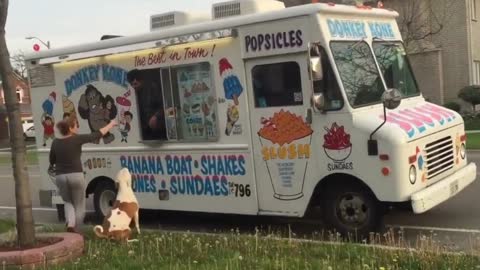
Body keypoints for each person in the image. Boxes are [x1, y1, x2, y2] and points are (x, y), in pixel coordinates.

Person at [49, 116, 117, 233]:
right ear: (70, 128)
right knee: (79, 205)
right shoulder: (77, 139)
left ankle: (70, 224)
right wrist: (111, 124)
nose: (77, 128)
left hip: (60, 177)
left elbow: (52, 160)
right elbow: (96, 135)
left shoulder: (55, 142)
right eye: (76, 125)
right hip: (76, 175)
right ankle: (76, 229)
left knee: (68, 202)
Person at [127, 69, 166, 140]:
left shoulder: (152, 88)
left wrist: (156, 116)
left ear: (141, 81)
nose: (134, 87)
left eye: (135, 84)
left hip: (158, 128)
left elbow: (164, 105)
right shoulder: (135, 93)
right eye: (132, 85)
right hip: (145, 130)